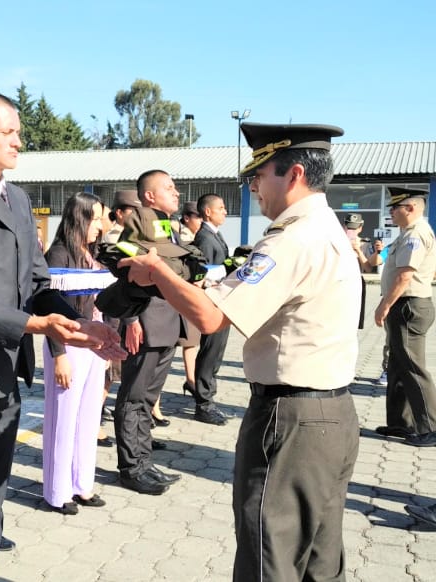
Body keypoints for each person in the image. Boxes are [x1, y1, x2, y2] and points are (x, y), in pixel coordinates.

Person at [120, 122, 360, 581]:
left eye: (260, 175)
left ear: (294, 175)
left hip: (291, 420)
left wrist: (158, 272)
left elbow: (211, 317)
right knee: (320, 560)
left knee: (268, 557)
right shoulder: (327, 227)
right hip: (333, 414)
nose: (253, 187)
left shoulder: (292, 238)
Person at [0, 91, 122, 581]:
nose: (18, 142)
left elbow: (36, 285)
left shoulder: (17, 199)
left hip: (6, 371)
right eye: (8, 132)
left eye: (18, 133)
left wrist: (78, 326)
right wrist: (35, 326)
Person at [114, 170, 184, 496]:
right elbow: (124, 273)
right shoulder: (138, 223)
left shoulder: (166, 225)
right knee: (133, 398)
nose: (176, 192)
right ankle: (131, 468)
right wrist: (130, 320)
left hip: (167, 323)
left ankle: (144, 461)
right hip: (146, 324)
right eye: (168, 188)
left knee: (147, 399)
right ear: (149, 196)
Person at [42, 192, 109, 514]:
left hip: (93, 343)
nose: (100, 226)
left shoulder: (92, 253)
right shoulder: (58, 254)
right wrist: (59, 356)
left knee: (88, 416)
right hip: (67, 343)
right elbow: (48, 307)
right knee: (63, 419)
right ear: (79, 218)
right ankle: (57, 492)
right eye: (94, 219)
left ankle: (83, 485)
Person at [374, 187, 436, 446]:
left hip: (409, 305)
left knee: (412, 368)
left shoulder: (415, 234)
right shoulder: (408, 233)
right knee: (398, 366)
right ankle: (401, 424)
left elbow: (405, 276)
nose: (390, 212)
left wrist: (384, 305)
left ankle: (430, 428)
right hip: (404, 305)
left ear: (410, 208)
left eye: (394, 208)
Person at [189, 194, 231, 425]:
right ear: (207, 212)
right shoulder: (204, 238)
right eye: (221, 208)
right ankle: (204, 403)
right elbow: (200, 273)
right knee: (210, 352)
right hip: (212, 301)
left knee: (216, 351)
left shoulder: (214, 233)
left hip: (221, 299)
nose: (225, 212)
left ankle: (206, 396)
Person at [176, 200, 202, 401]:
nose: (201, 220)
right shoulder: (183, 237)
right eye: (197, 216)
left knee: (192, 341)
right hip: (181, 293)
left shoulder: (194, 236)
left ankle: (191, 379)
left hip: (189, 294)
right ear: (187, 218)